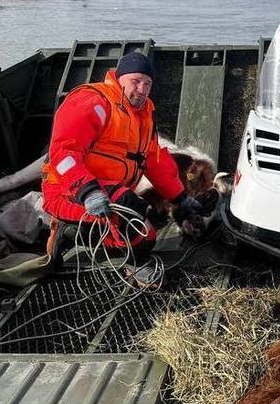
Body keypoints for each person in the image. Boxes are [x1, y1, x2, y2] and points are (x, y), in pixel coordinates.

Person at [42, 51, 202, 268]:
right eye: (136, 81)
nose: (142, 89)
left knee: (143, 221)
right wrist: (88, 192)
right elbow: (63, 153)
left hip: (110, 192)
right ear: (119, 78)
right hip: (68, 192)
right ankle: (70, 232)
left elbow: (154, 162)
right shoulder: (93, 102)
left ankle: (88, 232)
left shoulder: (142, 116)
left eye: (148, 84)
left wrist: (181, 197)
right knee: (141, 234)